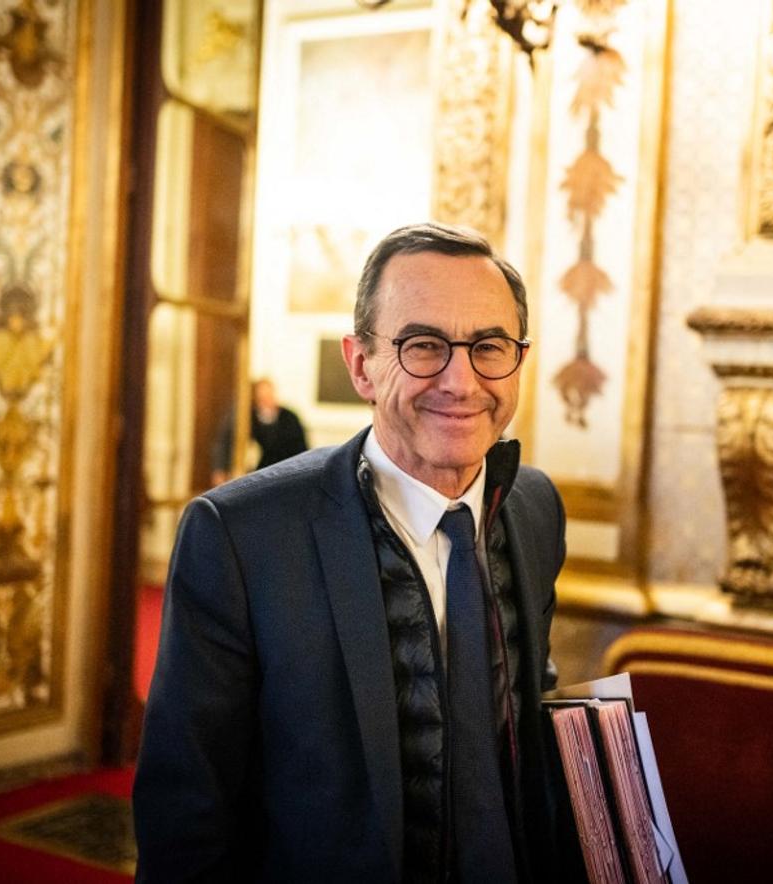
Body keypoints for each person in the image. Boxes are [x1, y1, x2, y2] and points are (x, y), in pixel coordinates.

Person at [134, 222, 567, 882]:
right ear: (361, 364)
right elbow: (187, 815)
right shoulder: (240, 537)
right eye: (423, 346)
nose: (460, 380)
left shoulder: (535, 509)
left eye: (489, 346)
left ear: (519, 361)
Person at [209, 377, 308, 485]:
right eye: (262, 397)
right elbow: (224, 441)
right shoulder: (244, 417)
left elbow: (301, 449)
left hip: (283, 475)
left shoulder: (290, 418)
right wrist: (219, 469)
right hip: (254, 477)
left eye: (269, 395)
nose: (266, 400)